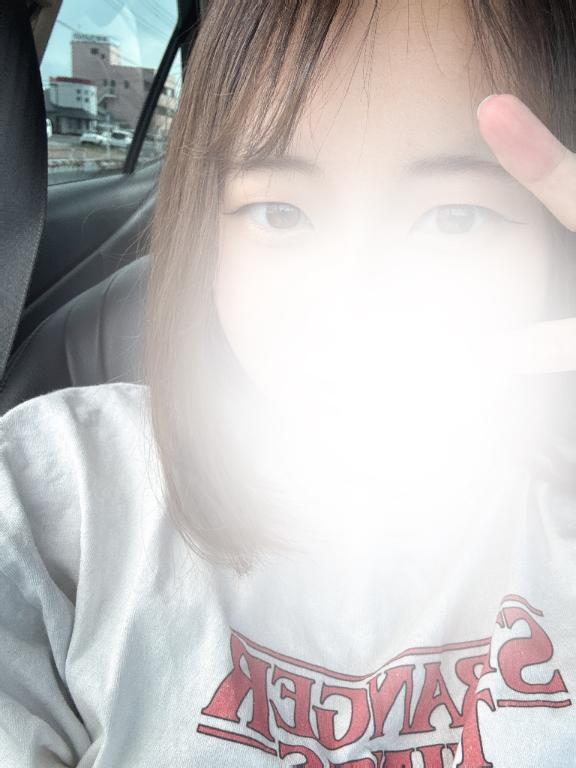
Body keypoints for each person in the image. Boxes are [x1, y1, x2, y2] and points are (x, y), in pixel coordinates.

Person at [1, 1, 576, 766]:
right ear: (208, 234)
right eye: (279, 211)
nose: (356, 299)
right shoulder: (65, 499)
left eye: (455, 218)